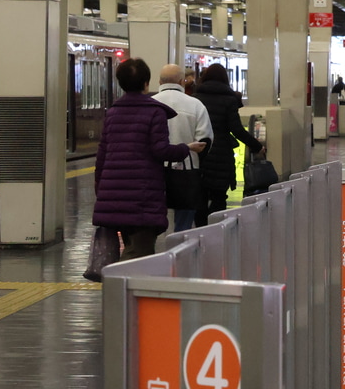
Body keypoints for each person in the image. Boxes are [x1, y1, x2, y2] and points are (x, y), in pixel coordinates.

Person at [92, 58, 206, 262]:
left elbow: (102, 155)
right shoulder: (154, 112)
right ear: (146, 83)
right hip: (142, 193)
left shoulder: (113, 112)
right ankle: (120, 281)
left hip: (113, 192)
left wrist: (101, 189)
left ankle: (120, 279)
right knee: (139, 254)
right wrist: (186, 148)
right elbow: (161, 150)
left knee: (131, 244)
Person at [194, 63, 264, 226]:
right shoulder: (229, 100)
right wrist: (257, 146)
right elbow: (237, 130)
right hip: (221, 155)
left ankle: (200, 231)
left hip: (200, 152)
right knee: (219, 197)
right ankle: (216, 230)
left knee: (200, 197)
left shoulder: (196, 98)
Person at [153, 64, 214, 233]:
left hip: (154, 172)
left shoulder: (151, 104)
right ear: (182, 81)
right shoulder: (196, 105)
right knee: (184, 221)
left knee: (154, 216)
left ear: (160, 82)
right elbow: (205, 140)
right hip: (187, 172)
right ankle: (179, 243)